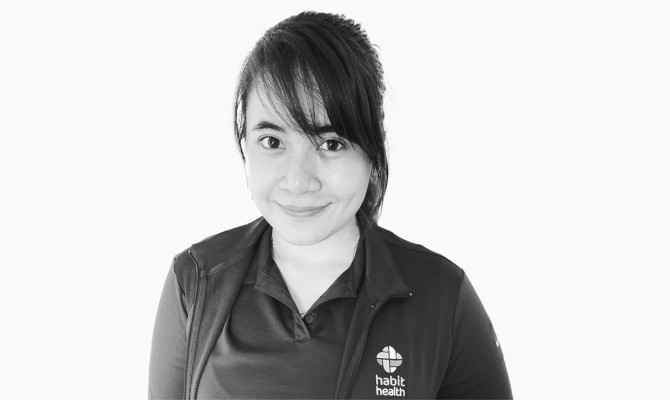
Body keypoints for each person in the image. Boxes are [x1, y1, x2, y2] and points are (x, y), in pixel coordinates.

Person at [149, 11, 512, 399]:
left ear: (373, 150)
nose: (298, 180)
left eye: (331, 144)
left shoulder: (441, 295)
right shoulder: (197, 281)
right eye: (272, 142)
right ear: (245, 144)